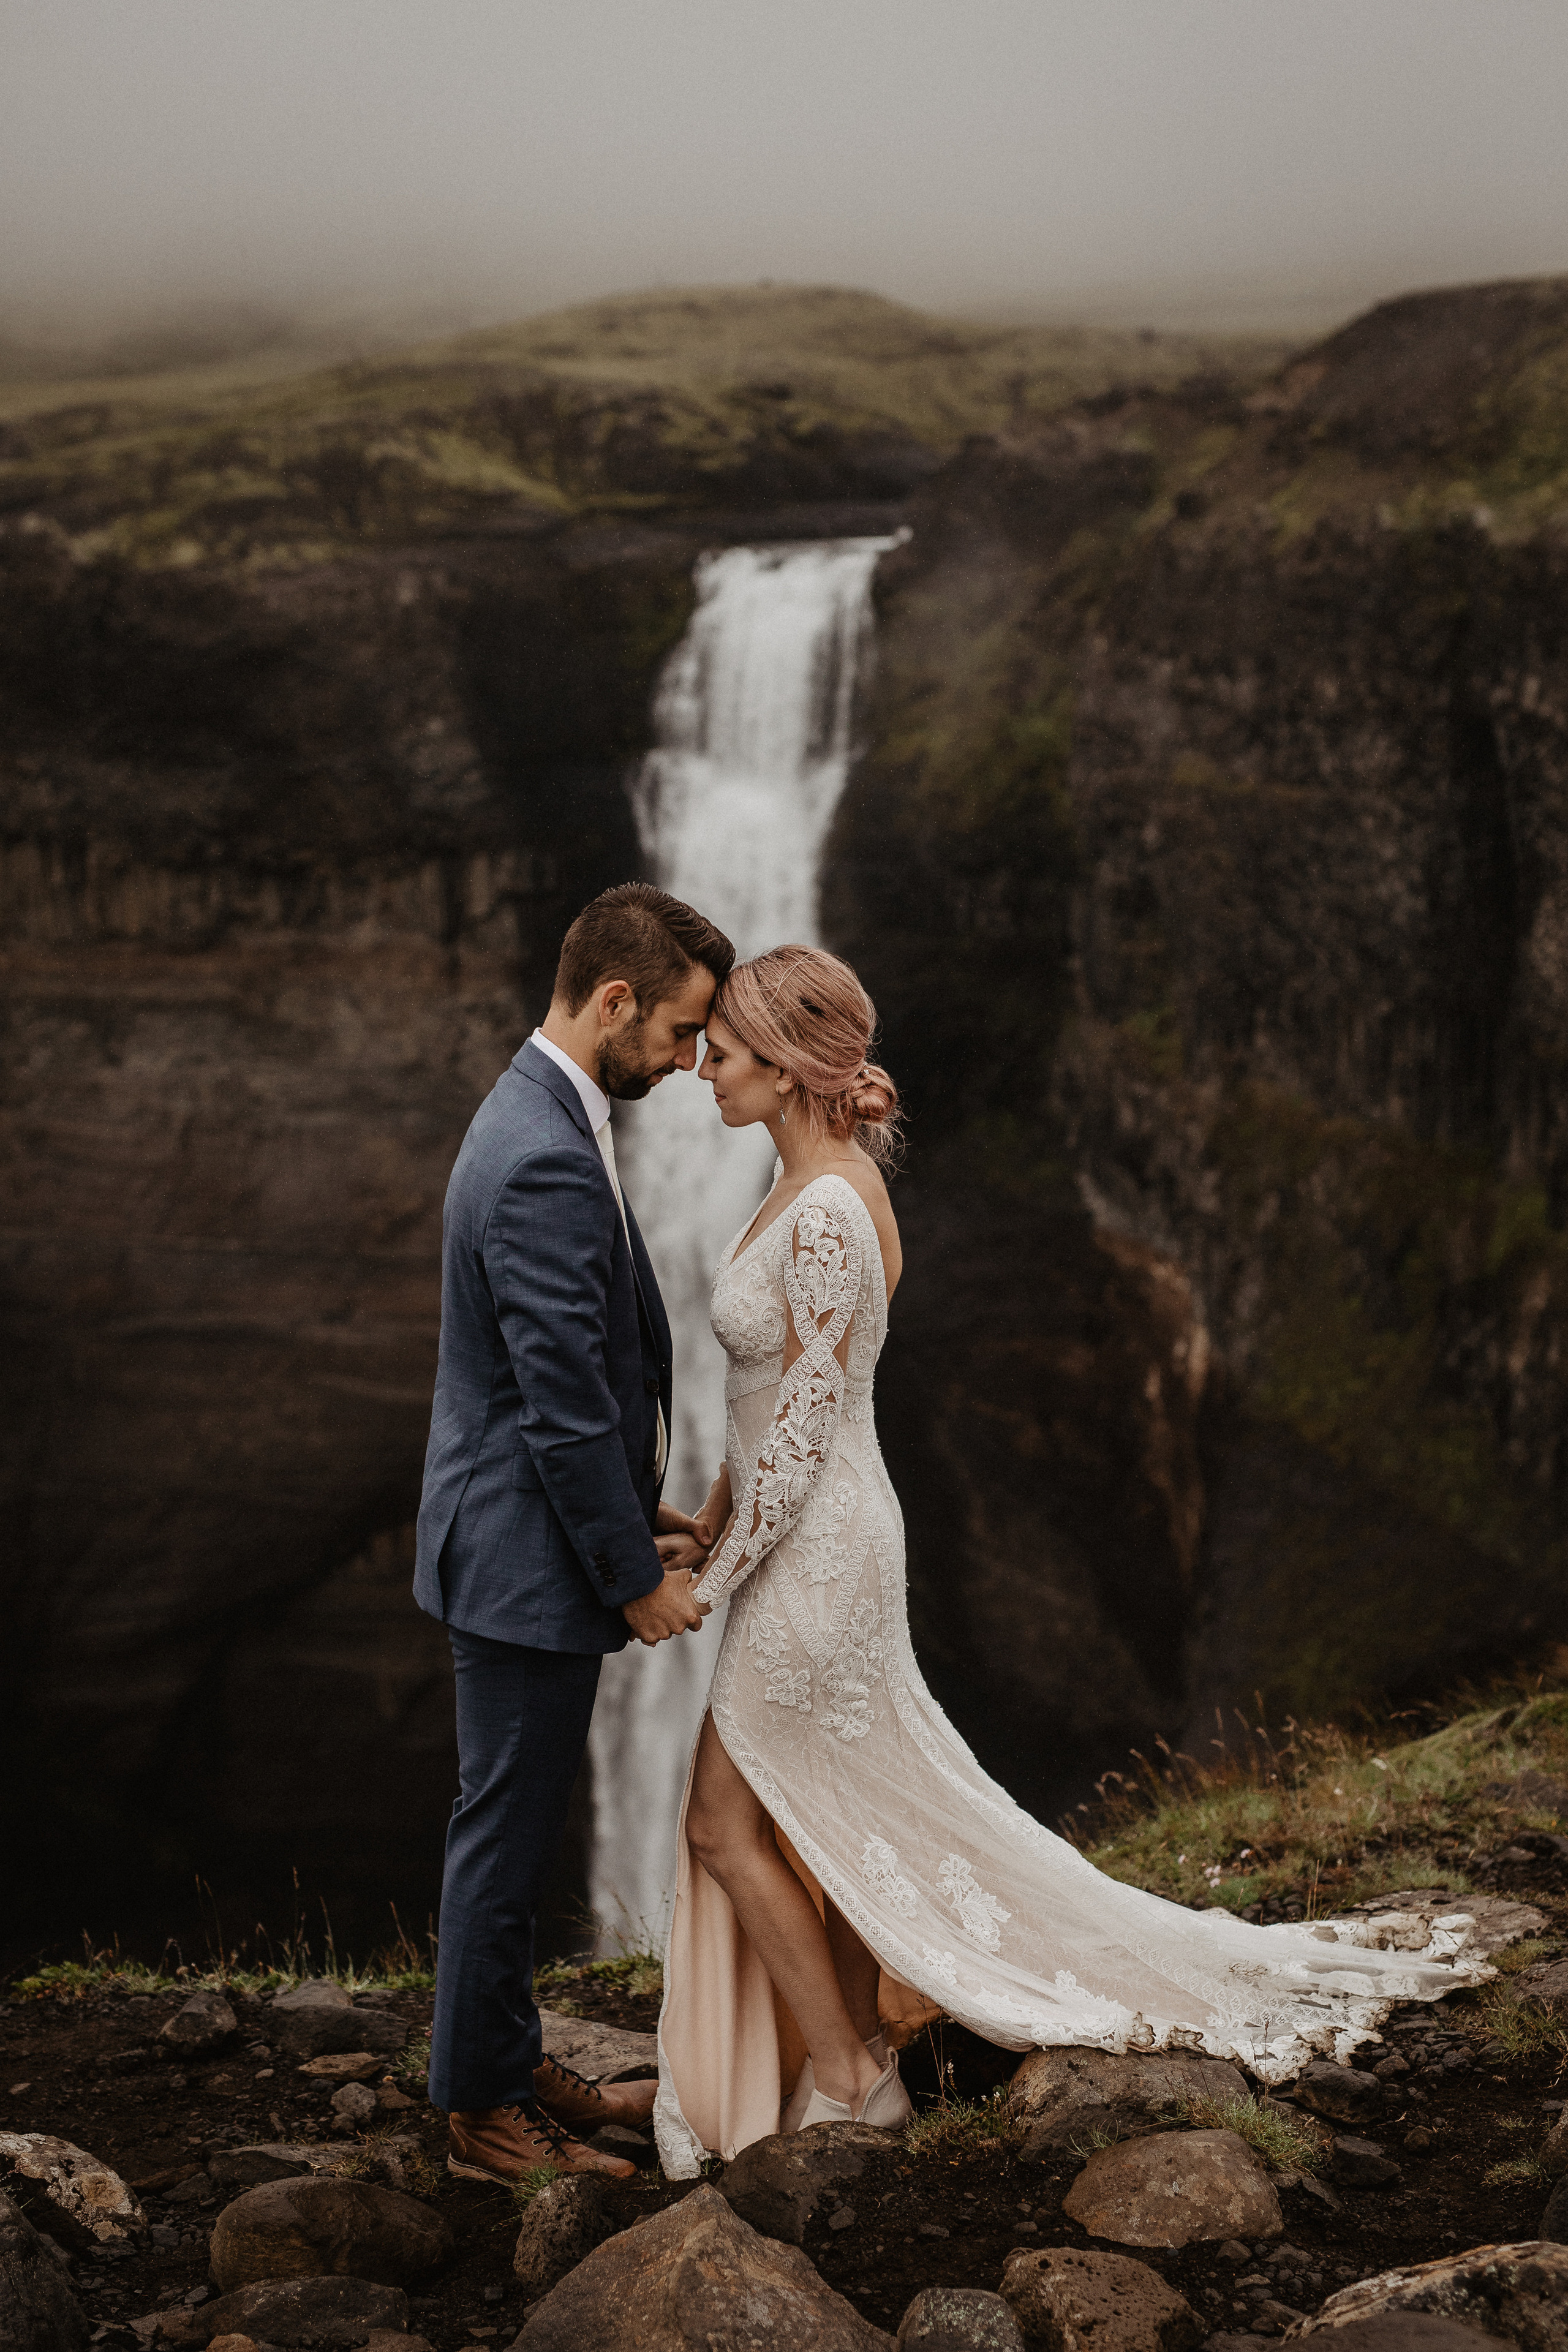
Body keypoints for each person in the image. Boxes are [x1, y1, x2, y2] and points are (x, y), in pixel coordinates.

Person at [652, 942, 1493, 2176]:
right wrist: (710, 1521)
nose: (699, 1072)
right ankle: (860, 2067)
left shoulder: (828, 1205)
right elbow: (769, 1400)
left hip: (819, 1560)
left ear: (784, 1068)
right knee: (812, 1815)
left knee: (725, 1822)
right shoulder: (799, 1190)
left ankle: (847, 2083)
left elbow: (808, 1429)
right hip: (795, 1543)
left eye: (718, 1054)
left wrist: (702, 1586)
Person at [413, 881, 732, 2186]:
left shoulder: (542, 1106)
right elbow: (551, 1404)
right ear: (614, 1001)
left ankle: (507, 2060)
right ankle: (484, 2117)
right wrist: (629, 1579)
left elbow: (558, 1375)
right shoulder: (546, 1148)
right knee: (503, 1831)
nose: (690, 1061)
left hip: (523, 1527)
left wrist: (632, 1500)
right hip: (522, 1557)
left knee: (512, 1820)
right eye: (679, 1030)